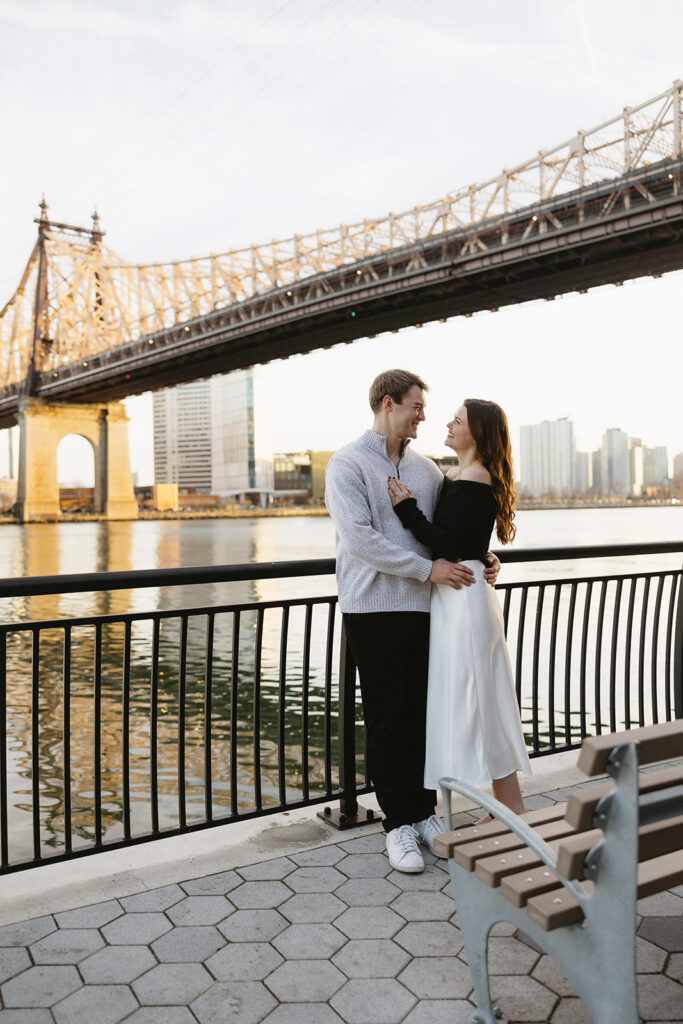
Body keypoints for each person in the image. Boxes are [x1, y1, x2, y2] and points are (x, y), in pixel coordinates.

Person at [325, 370, 500, 873]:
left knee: (423, 715)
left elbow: (450, 531)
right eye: (417, 406)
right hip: (373, 608)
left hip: (427, 608)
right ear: (388, 403)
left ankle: (424, 813)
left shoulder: (426, 471)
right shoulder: (348, 463)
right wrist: (429, 569)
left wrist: (479, 557)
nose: (425, 415)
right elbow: (359, 539)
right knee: (386, 718)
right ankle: (397, 825)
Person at [388, 398, 531, 818]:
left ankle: (514, 809)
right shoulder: (456, 473)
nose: (447, 424)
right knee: (479, 698)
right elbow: (467, 538)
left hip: (465, 601)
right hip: (457, 596)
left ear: (478, 433)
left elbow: (448, 544)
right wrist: (483, 555)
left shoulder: (477, 476)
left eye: (458, 420)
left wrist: (407, 510)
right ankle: (506, 806)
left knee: (481, 700)